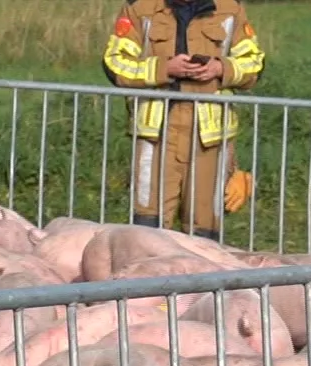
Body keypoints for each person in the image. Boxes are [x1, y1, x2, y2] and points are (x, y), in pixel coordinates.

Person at [103, 0, 265, 242]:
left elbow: (254, 63)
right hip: (156, 130)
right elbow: (115, 64)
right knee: (148, 219)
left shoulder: (230, 9)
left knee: (205, 221)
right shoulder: (140, 8)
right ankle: (148, 273)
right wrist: (164, 69)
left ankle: (201, 277)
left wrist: (220, 69)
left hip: (209, 133)